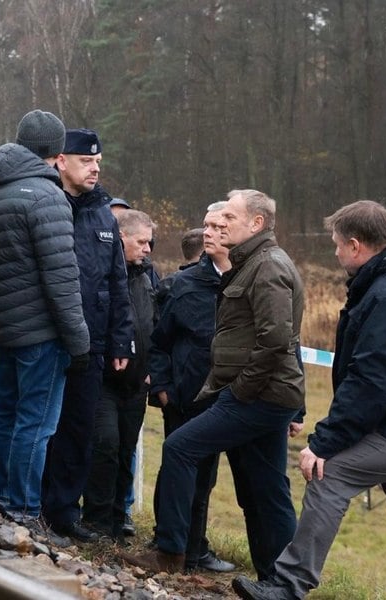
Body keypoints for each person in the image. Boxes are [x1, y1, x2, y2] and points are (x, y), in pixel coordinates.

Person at [232, 200, 386, 600]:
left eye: (337, 245)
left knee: (329, 473)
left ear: (356, 246)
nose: (335, 253)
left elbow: (373, 380)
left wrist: (326, 442)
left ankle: (287, 586)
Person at [123, 188, 305, 576]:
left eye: (230, 217)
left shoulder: (268, 267)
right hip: (260, 394)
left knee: (181, 448)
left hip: (257, 396)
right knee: (263, 489)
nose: (220, 224)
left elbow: (277, 340)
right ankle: (277, 580)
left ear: (256, 223)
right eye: (217, 219)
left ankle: (170, 553)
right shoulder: (250, 263)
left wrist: (239, 391)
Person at [0, 109, 90, 531]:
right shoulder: (47, 197)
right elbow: (62, 277)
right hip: (41, 330)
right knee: (35, 423)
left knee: (2, 410)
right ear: (56, 152)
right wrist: (79, 340)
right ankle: (23, 510)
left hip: (1, 323)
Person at [41, 128, 134, 544]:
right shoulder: (46, 203)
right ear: (61, 161)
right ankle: (28, 503)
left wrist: (120, 339)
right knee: (41, 424)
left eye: (98, 162)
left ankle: (63, 513)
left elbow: (117, 282)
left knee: (79, 430)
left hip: (93, 342)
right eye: (86, 161)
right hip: (48, 336)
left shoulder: (103, 215)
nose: (95, 169)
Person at [145, 202, 236, 574]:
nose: (210, 233)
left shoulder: (253, 281)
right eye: (206, 226)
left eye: (218, 227)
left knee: (207, 479)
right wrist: (163, 387)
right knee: (179, 471)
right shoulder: (182, 285)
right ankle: (168, 547)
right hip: (184, 398)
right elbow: (159, 341)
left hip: (231, 400)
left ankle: (195, 551)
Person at [82, 209, 157, 541]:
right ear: (121, 238)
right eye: (141, 242)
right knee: (105, 445)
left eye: (149, 243)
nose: (147, 249)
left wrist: (154, 369)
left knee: (126, 450)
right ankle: (95, 520)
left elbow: (156, 325)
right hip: (103, 380)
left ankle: (117, 518)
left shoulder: (147, 277)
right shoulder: (101, 275)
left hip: (137, 383)